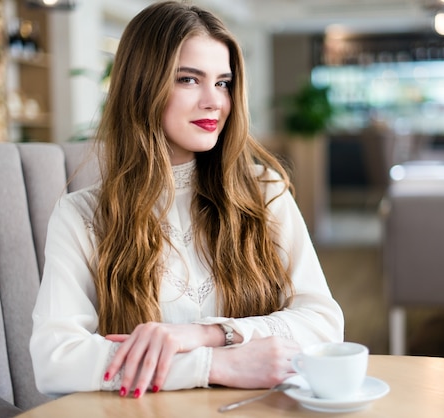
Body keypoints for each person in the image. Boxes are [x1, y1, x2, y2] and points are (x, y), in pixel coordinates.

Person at [29, 0, 344, 399]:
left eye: (223, 82)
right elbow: (55, 359)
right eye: (189, 79)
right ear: (142, 87)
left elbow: (324, 321)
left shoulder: (264, 192)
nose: (214, 101)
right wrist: (213, 363)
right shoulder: (82, 216)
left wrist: (208, 334)